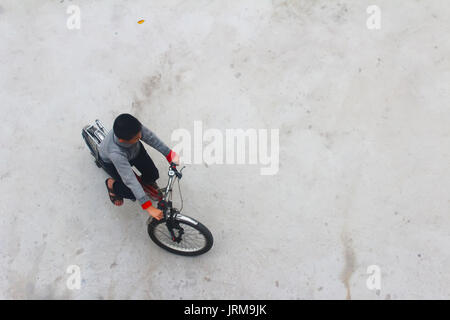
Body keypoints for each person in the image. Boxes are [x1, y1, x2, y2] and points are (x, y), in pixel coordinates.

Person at [98, 113, 179, 221]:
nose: (140, 136)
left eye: (139, 133)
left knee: (153, 174)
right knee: (131, 191)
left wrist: (169, 154)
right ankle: (111, 185)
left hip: (135, 151)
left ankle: (145, 186)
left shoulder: (135, 129)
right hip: (113, 163)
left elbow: (151, 138)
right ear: (122, 140)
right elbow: (130, 179)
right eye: (136, 138)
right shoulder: (115, 154)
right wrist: (148, 207)